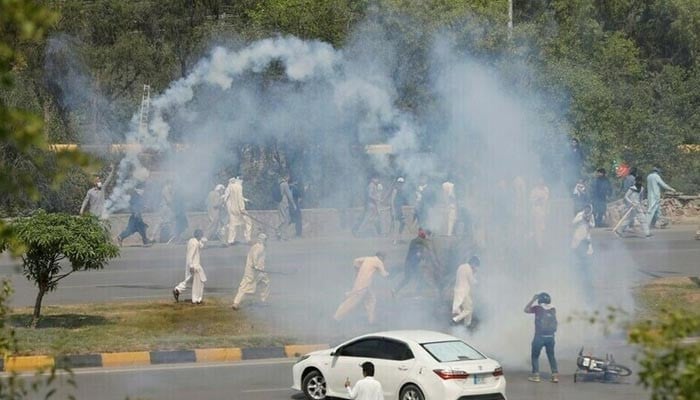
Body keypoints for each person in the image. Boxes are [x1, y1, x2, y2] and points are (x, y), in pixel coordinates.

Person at [333, 252, 389, 324]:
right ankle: (336, 317)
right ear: (381, 257)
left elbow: (355, 261)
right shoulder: (378, 262)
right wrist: (390, 273)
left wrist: (357, 270)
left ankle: (371, 320)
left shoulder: (368, 258)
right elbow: (384, 274)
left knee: (371, 299)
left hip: (362, 283)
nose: (384, 260)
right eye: (384, 258)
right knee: (352, 301)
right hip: (363, 286)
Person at [524, 292, 559, 383]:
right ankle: (555, 376)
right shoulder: (553, 309)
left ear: (540, 300)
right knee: (551, 356)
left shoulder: (538, 308)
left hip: (539, 337)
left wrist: (533, 299)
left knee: (535, 356)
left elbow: (526, 309)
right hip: (551, 337)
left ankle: (536, 375)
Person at [232, 233, 269, 310]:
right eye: (265, 239)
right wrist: (255, 266)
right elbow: (254, 256)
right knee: (246, 285)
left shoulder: (255, 246)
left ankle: (263, 300)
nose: (266, 241)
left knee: (265, 283)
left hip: (258, 271)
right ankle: (236, 303)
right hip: (254, 271)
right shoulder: (260, 247)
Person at [172, 229, 207, 304]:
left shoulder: (194, 241)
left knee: (190, 280)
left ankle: (177, 289)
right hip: (194, 266)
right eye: (201, 235)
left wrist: (202, 241)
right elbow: (190, 255)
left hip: (194, 265)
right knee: (199, 282)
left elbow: (200, 246)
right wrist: (191, 265)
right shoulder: (194, 243)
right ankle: (196, 299)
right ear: (198, 235)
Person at [452, 256, 480, 327]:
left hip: (458, 290)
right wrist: (478, 282)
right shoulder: (468, 269)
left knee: (467, 309)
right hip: (464, 292)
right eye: (476, 266)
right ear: (473, 263)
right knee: (468, 309)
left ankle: (466, 324)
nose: (476, 267)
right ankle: (456, 320)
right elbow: (472, 281)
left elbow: (463, 278)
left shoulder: (461, 267)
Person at [224, 177, 253, 245]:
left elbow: (226, 198)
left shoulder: (229, 187)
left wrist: (246, 200)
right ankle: (248, 239)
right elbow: (239, 198)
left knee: (232, 225)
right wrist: (242, 209)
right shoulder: (239, 186)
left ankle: (230, 240)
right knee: (248, 222)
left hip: (231, 209)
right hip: (239, 209)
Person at [530, 179, 550, 249]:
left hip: (544, 212)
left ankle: (544, 243)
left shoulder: (546, 189)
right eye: (540, 183)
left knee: (544, 228)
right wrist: (537, 200)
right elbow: (531, 200)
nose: (541, 184)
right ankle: (539, 245)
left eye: (542, 183)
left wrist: (542, 200)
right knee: (537, 229)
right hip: (537, 211)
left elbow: (546, 199)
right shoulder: (534, 190)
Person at [276, 175, 297, 239]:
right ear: (286, 176)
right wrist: (294, 204)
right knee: (285, 219)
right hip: (284, 203)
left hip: (279, 203)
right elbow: (289, 195)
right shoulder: (285, 184)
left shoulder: (279, 183)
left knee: (283, 219)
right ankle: (281, 234)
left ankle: (280, 233)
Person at [389, 177, 407, 244]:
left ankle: (400, 238)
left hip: (399, 209)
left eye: (402, 183)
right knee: (396, 225)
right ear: (397, 183)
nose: (401, 184)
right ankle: (395, 240)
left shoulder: (401, 190)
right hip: (395, 209)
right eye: (400, 182)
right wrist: (393, 210)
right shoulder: (395, 189)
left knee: (403, 223)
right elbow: (392, 200)